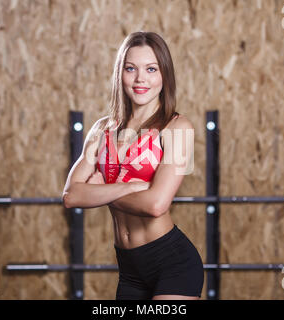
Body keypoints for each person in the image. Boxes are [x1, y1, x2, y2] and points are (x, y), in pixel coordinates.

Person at [62, 31, 204, 300]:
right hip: (129, 270)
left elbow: (156, 205)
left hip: (173, 264)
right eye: (131, 69)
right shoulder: (102, 129)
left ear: (165, 75)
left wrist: (101, 191)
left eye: (151, 69)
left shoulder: (178, 127)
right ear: (120, 74)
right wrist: (134, 186)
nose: (141, 79)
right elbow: (71, 197)